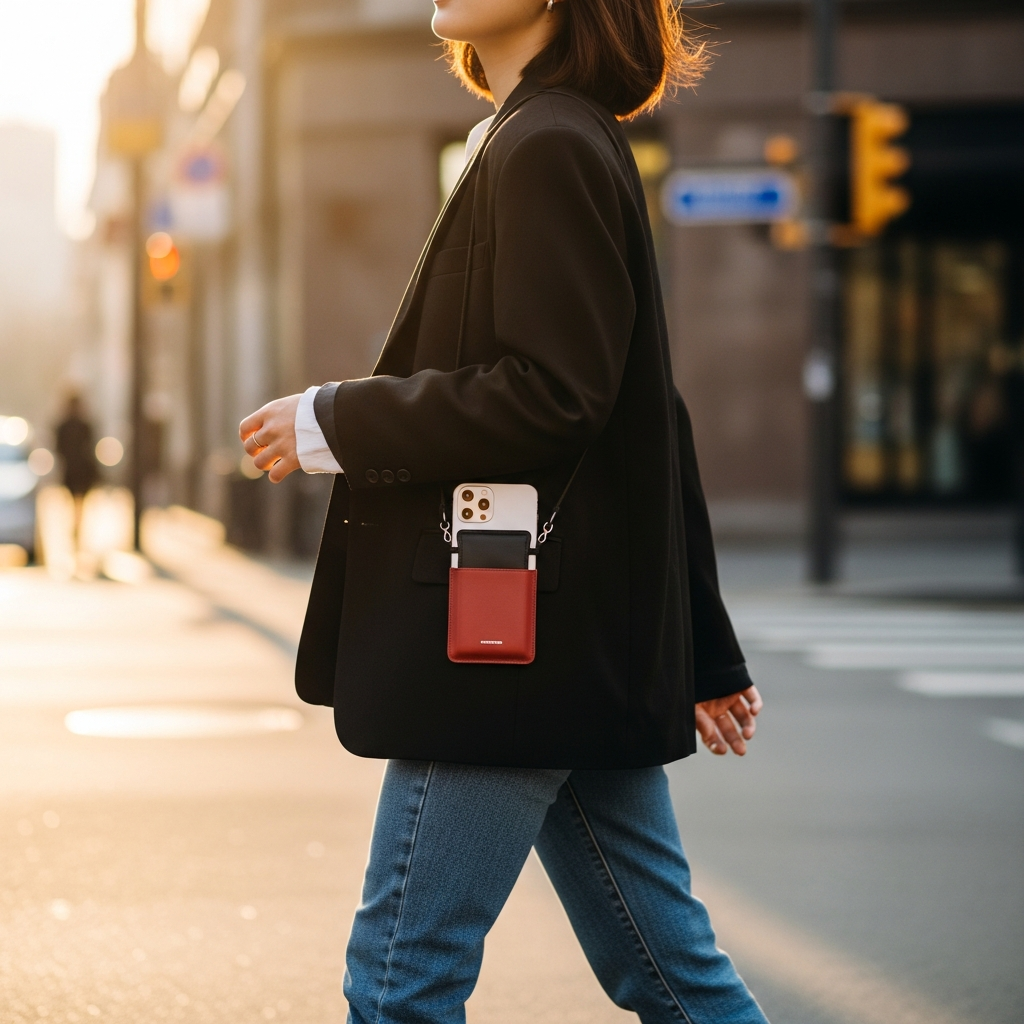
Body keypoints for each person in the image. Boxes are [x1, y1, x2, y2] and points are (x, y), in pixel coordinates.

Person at [241, 0, 768, 1020]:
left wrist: (338, 417)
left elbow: (556, 394)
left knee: (400, 981)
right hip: (562, 647)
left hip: (506, 650)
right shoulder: (552, 134)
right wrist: (701, 649)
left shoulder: (548, 144)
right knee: (670, 977)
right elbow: (645, 419)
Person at [54, 391, 98, 544]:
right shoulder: (80, 425)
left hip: (77, 469)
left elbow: (59, 449)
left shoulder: (67, 426)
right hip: (78, 469)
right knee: (77, 501)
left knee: (76, 501)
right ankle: (76, 527)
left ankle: (77, 527)